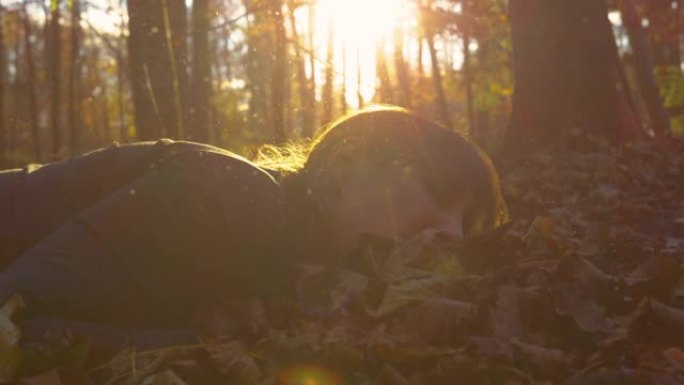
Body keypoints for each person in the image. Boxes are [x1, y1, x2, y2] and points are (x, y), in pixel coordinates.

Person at [0, 105, 507, 343]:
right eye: (440, 196)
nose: (454, 236)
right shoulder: (234, 198)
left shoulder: (286, 258)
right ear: (347, 162)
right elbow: (12, 319)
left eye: (469, 224)